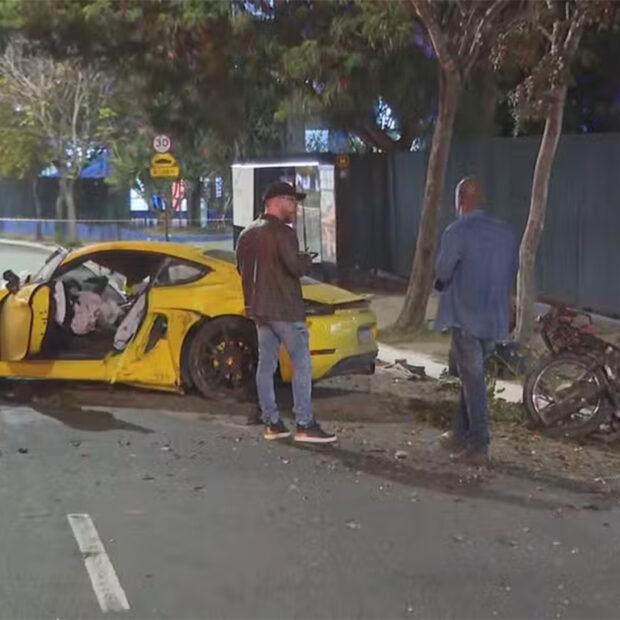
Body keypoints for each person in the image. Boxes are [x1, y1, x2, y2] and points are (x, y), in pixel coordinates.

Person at [236, 181, 337, 444]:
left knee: (266, 366)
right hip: (286, 310)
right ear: (276, 201)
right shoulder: (282, 232)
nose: (295, 207)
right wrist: (305, 260)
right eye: (291, 201)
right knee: (302, 364)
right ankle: (304, 423)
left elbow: (241, 269)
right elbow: (294, 267)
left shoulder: (246, 234)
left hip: (259, 310)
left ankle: (273, 422)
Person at [434, 177, 518, 466]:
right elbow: (512, 272)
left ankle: (478, 444)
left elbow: (443, 271)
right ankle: (460, 432)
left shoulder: (456, 231)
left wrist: (441, 283)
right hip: (495, 319)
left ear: (460, 200)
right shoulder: (505, 233)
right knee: (473, 378)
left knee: (473, 382)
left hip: (466, 317)